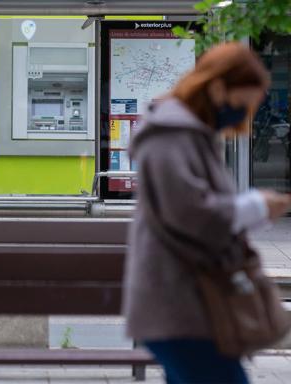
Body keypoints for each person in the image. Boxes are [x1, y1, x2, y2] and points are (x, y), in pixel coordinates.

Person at [123, 42, 291, 384]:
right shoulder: (170, 137)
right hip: (179, 305)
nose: (244, 115)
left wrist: (256, 211)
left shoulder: (190, 135)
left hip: (190, 303)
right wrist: (257, 206)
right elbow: (190, 213)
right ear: (218, 87)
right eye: (243, 104)